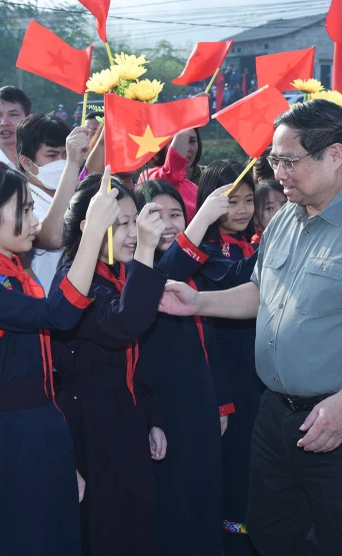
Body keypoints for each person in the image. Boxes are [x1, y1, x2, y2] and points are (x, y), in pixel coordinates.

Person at [159, 98, 342, 554]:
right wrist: (199, 302)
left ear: (333, 155)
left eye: (289, 161)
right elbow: (262, 291)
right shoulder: (289, 215)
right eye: (274, 159)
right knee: (273, 535)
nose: (278, 172)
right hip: (277, 415)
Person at [0, 161, 119, 556]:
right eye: (24, 210)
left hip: (40, 430)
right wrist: (92, 233)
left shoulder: (13, 274)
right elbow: (58, 316)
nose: (34, 220)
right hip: (13, 439)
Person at [51, 175, 168, 556]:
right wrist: (148, 254)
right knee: (103, 531)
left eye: (136, 221)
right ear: (89, 228)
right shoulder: (74, 280)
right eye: (121, 223)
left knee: (134, 526)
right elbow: (123, 326)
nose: (133, 233)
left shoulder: (117, 272)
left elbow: (137, 359)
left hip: (126, 419)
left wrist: (150, 418)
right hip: (91, 426)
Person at [133, 178, 230, 556]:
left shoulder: (198, 268)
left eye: (178, 214)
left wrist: (221, 402)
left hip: (200, 404)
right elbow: (159, 278)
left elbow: (211, 346)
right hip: (161, 410)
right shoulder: (135, 272)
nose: (170, 224)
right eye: (157, 215)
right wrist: (201, 221)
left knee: (206, 493)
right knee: (172, 499)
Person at [189, 162, 260, 555]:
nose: (243, 209)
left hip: (257, 374)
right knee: (234, 467)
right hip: (229, 377)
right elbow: (238, 278)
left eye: (249, 200)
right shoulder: (205, 251)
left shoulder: (248, 244)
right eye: (232, 201)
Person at [16, 113, 90, 293]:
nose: (61, 162)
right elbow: (54, 237)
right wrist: (72, 163)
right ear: (26, 162)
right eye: (51, 155)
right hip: (44, 303)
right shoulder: (18, 200)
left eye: (65, 154)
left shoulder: (77, 193)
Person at [138, 128, 203, 221]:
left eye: (192, 141)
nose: (187, 148)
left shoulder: (207, 177)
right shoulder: (150, 175)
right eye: (174, 141)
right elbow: (172, 169)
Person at [252, 180, 286, 245]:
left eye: (284, 205)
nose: (280, 211)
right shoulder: (255, 250)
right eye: (270, 208)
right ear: (255, 217)